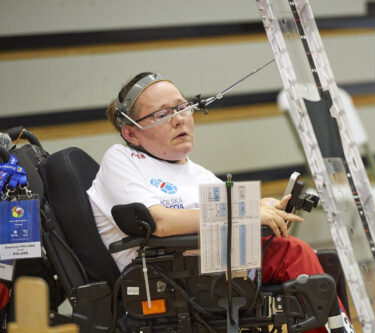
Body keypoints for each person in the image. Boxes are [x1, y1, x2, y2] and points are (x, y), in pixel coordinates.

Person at [87, 72, 343, 333]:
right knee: (292, 254)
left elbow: (230, 210)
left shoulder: (193, 170)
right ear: (131, 132)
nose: (179, 119)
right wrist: (249, 212)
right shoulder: (120, 159)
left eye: (183, 107)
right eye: (163, 114)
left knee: (323, 265)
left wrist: (264, 206)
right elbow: (158, 222)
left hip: (204, 268)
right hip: (165, 279)